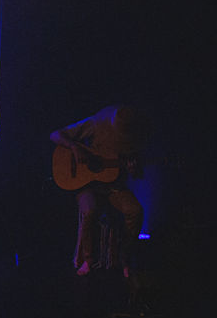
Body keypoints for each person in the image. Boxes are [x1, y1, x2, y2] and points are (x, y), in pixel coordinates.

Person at [50, 105, 150, 278]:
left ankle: (125, 258)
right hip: (88, 186)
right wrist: (74, 147)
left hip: (114, 188)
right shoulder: (97, 124)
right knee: (89, 210)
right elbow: (55, 135)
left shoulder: (132, 138)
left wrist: (134, 171)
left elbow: (137, 173)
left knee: (135, 210)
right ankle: (88, 259)